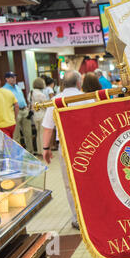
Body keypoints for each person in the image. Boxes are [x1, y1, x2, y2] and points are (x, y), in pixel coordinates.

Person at [42, 70, 93, 230]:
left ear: (63, 84)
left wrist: (46, 149)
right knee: (91, 181)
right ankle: (94, 215)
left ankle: (78, 219)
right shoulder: (87, 98)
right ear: (79, 83)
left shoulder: (55, 101)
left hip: (66, 147)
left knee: (70, 184)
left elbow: (48, 128)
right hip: (90, 145)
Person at [3, 71, 34, 154]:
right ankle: (18, 154)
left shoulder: (17, 87)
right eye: (11, 77)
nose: (14, 78)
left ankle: (30, 152)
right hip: (14, 112)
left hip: (24, 110)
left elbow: (22, 98)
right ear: (7, 79)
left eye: (14, 77)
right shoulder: (4, 89)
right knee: (16, 135)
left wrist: (26, 107)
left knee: (28, 133)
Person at [29, 77, 48, 156]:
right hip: (42, 115)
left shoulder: (31, 93)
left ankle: (39, 151)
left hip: (35, 116)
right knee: (42, 134)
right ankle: (44, 151)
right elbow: (45, 106)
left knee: (38, 133)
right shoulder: (41, 95)